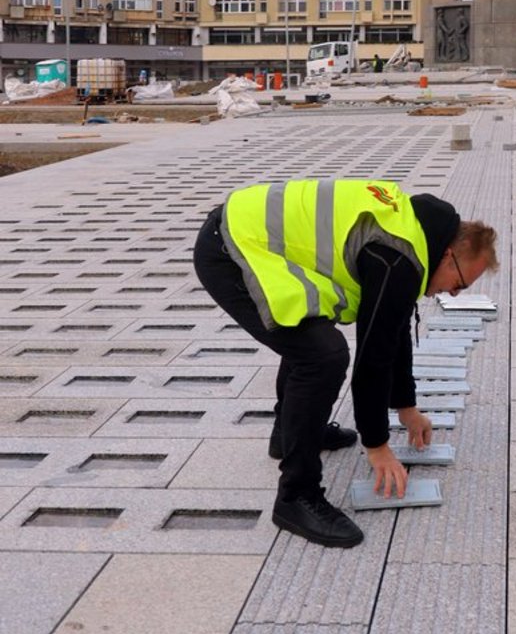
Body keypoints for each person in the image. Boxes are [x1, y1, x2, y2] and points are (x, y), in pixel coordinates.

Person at [193, 179, 498, 549]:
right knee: (322, 355)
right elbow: (374, 356)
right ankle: (296, 495)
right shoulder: (399, 257)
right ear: (449, 255)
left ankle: (288, 434)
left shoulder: (416, 232)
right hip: (232, 250)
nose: (452, 292)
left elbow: (394, 326)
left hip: (244, 234)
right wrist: (377, 445)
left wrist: (407, 408)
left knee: (307, 334)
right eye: (460, 284)